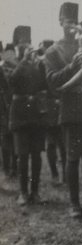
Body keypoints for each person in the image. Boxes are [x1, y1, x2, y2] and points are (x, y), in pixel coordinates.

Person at [45, 3, 82, 219]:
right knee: (73, 158)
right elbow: (52, 82)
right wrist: (72, 66)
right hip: (70, 108)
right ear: (60, 22)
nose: (73, 27)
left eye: (75, 23)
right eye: (68, 23)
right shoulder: (53, 50)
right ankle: (74, 203)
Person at [9, 26, 48, 205]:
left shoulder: (36, 63)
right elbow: (11, 81)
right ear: (16, 44)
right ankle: (23, 192)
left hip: (35, 114)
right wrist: (24, 61)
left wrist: (42, 63)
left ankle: (35, 191)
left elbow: (44, 84)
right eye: (23, 43)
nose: (26, 47)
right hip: (19, 114)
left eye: (28, 43)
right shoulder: (9, 61)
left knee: (36, 155)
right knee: (23, 155)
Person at [38, 40, 66, 186]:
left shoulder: (44, 63)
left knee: (56, 142)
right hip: (51, 103)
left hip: (52, 104)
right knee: (56, 142)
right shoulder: (46, 63)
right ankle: (58, 174)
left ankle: (58, 174)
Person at [0, 44, 18, 179]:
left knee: (10, 137)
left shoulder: (10, 66)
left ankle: (12, 168)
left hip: (10, 104)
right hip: (4, 105)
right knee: (7, 137)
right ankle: (7, 168)